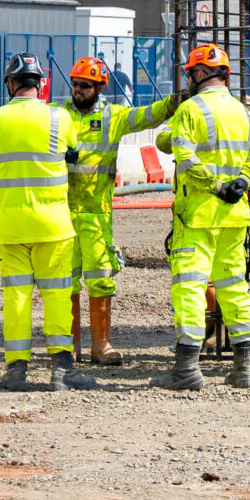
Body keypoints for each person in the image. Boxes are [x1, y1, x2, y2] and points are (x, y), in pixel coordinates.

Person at [152, 43, 250, 392]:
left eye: (190, 73)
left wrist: (215, 186)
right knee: (234, 286)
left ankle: (186, 370)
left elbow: (186, 159)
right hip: (235, 215)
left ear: (200, 73)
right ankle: (243, 369)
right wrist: (241, 183)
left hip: (198, 216)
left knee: (190, 287)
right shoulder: (244, 113)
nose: (188, 79)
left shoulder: (190, 109)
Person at [0, 53, 93, 391]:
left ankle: (16, 370)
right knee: (57, 295)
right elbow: (73, 150)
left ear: (10, 84)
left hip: (11, 227)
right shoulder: (59, 117)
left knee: (16, 297)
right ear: (41, 84)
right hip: (52, 226)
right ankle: (61, 371)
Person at [60, 54, 179, 365]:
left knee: (100, 277)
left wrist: (172, 103)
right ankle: (67, 347)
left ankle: (101, 345)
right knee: (64, 281)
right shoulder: (58, 117)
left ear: (100, 88)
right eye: (75, 84)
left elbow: (146, 116)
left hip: (96, 215)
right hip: (62, 212)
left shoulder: (113, 117)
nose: (78, 90)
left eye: (85, 85)